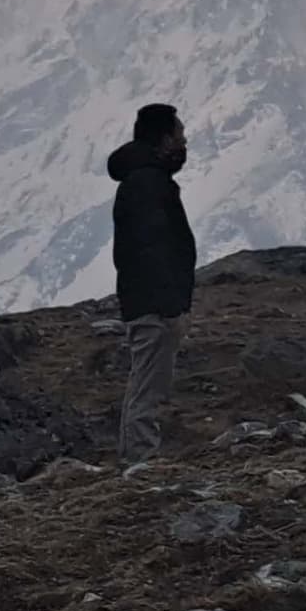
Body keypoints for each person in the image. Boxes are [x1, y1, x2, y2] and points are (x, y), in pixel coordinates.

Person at [106, 102, 196, 465]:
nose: (184, 142)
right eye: (179, 135)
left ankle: (139, 455)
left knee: (148, 383)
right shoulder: (148, 184)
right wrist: (169, 303)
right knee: (148, 384)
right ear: (162, 139)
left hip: (151, 301)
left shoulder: (146, 181)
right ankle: (139, 460)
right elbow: (151, 248)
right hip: (154, 306)